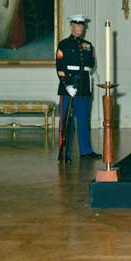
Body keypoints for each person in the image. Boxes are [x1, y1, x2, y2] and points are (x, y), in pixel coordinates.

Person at [55, 14, 100, 161]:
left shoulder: (88, 45)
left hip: (84, 86)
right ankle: (65, 152)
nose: (81, 27)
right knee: (66, 122)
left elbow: (91, 64)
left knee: (83, 119)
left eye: (82, 25)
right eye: (77, 24)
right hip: (69, 86)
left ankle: (86, 151)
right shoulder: (63, 44)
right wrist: (67, 86)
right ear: (71, 26)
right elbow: (60, 67)